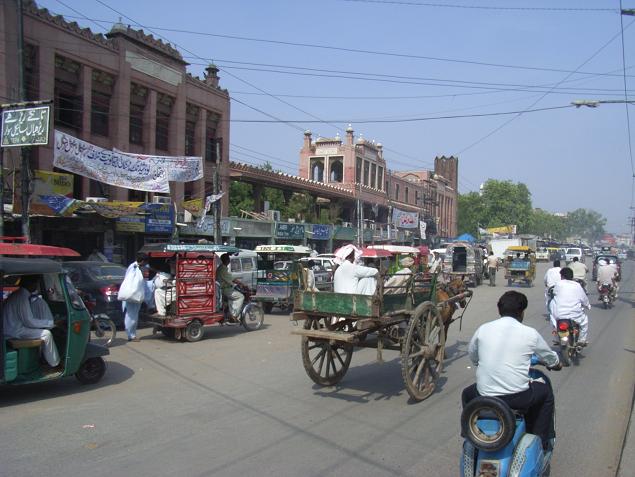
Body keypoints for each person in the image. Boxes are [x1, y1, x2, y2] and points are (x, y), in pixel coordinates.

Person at [462, 291, 561, 450]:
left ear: (499, 310)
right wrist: (556, 364)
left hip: (484, 397)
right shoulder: (530, 333)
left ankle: (469, 433)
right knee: (546, 394)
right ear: (521, 312)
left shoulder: (483, 329)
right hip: (518, 398)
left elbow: (473, 356)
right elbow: (550, 358)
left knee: (467, 393)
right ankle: (541, 439)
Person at [3, 275, 60, 367]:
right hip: (14, 332)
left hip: (12, 329)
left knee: (42, 331)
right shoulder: (22, 296)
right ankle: (55, 364)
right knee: (46, 334)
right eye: (36, 284)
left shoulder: (18, 294)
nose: (36, 286)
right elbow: (29, 321)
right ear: (30, 284)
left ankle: (44, 359)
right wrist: (51, 323)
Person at [550, 267, 591, 345]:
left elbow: (553, 294)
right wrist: (588, 305)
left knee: (553, 321)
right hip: (575, 315)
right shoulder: (577, 285)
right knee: (584, 321)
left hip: (559, 314)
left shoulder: (558, 284)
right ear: (572, 276)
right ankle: (582, 340)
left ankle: (556, 338)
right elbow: (584, 298)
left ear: (562, 276)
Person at [121, 253, 148, 342]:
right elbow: (131, 281)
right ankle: (131, 335)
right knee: (132, 315)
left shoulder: (136, 267)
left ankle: (132, 334)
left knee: (133, 315)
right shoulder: (134, 267)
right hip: (132, 295)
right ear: (143, 261)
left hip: (135, 296)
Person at [217, 253, 244, 320]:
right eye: (228, 259)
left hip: (222, 289)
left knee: (233, 297)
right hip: (224, 289)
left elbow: (230, 278)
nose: (229, 260)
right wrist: (242, 284)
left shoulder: (222, 268)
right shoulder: (222, 269)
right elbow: (232, 279)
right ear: (226, 260)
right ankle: (233, 315)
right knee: (240, 296)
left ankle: (230, 312)